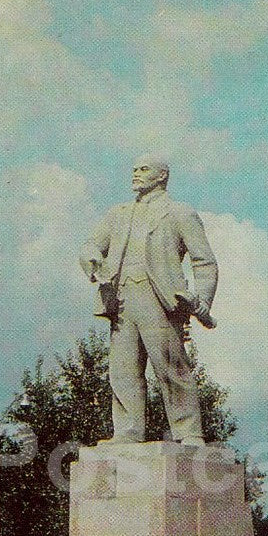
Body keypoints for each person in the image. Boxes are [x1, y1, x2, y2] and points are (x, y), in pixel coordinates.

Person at [79, 156, 218, 445]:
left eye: (143, 169)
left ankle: (188, 432)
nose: (135, 174)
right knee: (123, 371)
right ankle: (128, 432)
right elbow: (92, 245)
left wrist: (202, 299)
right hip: (121, 301)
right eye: (133, 169)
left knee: (170, 367)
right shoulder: (118, 213)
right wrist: (91, 258)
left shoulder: (179, 213)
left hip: (161, 300)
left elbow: (204, 262)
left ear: (162, 176)